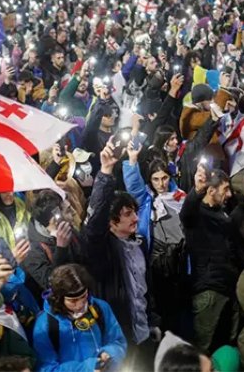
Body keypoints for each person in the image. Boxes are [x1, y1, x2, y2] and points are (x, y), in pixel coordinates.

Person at [82, 139, 160, 366]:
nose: (135, 218)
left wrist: (152, 319)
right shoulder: (102, 248)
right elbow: (93, 226)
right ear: (111, 221)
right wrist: (106, 172)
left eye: (135, 212)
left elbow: (146, 287)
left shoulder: (139, 242)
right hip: (118, 338)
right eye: (127, 214)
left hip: (143, 332)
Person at [124, 142, 190, 337]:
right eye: (156, 179)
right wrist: (132, 160)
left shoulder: (180, 197)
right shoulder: (146, 200)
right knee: (163, 304)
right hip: (157, 261)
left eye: (164, 178)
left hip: (180, 257)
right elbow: (134, 187)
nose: (161, 183)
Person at [180, 164, 244, 351]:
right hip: (209, 291)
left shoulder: (223, 214)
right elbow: (186, 213)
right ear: (211, 190)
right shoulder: (196, 214)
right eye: (225, 189)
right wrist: (196, 191)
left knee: (229, 346)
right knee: (203, 350)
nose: (230, 194)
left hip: (230, 289)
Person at [32, 264, 127, 372]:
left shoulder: (100, 308)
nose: (80, 304)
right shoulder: (45, 325)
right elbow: (46, 368)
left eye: (83, 297)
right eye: (73, 301)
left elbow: (118, 340)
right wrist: (87, 368)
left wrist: (110, 353)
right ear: (58, 299)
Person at [24, 189, 82, 291]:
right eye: (68, 210)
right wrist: (61, 249)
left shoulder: (67, 227)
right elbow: (49, 283)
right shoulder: (31, 251)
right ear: (55, 220)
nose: (73, 212)